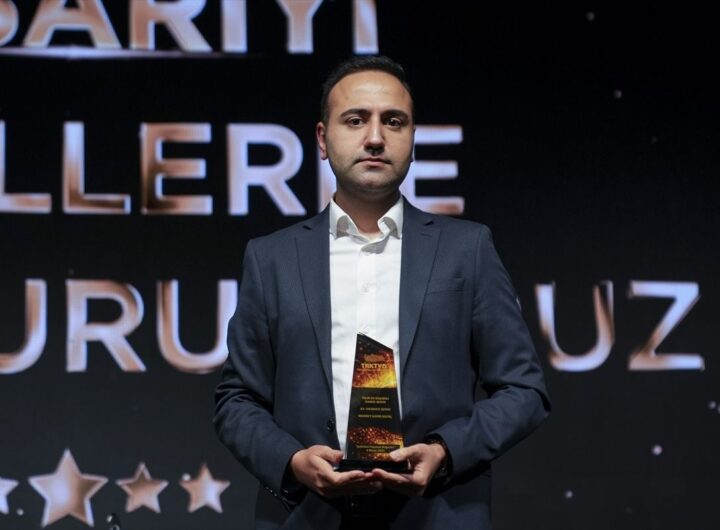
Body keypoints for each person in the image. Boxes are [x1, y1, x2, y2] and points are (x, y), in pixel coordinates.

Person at [214, 55, 550, 529]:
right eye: (355, 120)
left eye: (394, 121)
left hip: (436, 513)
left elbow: (524, 390)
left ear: (412, 140)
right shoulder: (271, 258)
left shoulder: (467, 249)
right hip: (308, 516)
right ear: (322, 139)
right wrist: (291, 461)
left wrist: (445, 451)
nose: (375, 137)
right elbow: (236, 400)